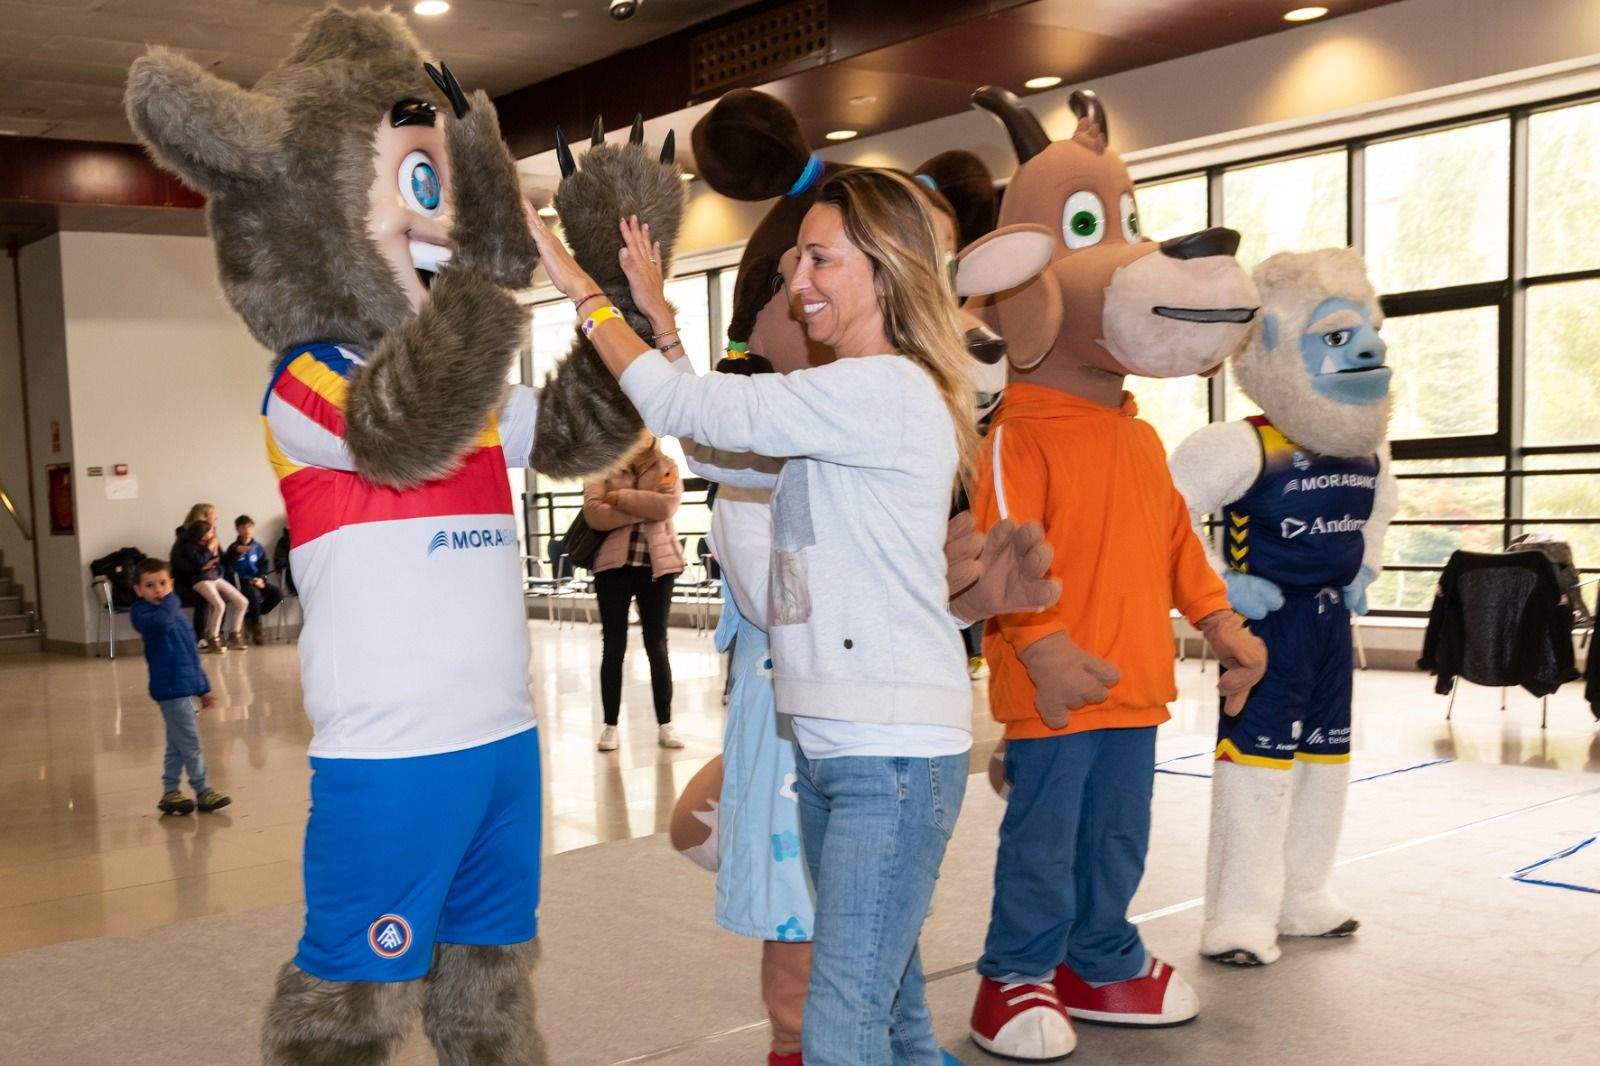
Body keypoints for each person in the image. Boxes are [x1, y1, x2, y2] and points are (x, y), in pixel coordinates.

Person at [530, 166, 980, 1064]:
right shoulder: (846, 400)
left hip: (887, 754)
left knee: (842, 1023)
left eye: (820, 259)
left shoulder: (883, 390)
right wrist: (659, 322)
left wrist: (582, 291)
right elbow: (713, 438)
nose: (798, 280)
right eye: (792, 264)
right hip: (843, 744)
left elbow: (683, 409)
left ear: (886, 271)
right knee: (888, 1014)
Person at [582, 437, 687, 752]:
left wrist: (619, 497)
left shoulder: (667, 465)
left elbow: (667, 506)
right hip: (612, 567)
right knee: (613, 647)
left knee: (657, 646)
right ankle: (610, 725)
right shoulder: (601, 461)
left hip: (657, 567)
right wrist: (645, 506)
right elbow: (594, 513)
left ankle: (665, 724)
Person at [128, 558, 231, 815]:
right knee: (191, 743)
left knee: (177, 743)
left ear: (171, 583)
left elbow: (190, 655)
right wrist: (172, 601)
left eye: (163, 583)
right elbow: (161, 624)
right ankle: (203, 790)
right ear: (138, 591)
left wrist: (203, 687)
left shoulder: (176, 614)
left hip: (186, 687)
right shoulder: (144, 614)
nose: (158, 590)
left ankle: (170, 793)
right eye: (150, 585)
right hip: (170, 690)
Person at [173, 510, 249, 653]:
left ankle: (235, 633)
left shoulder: (212, 542)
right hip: (201, 580)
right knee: (219, 605)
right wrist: (209, 549)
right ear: (202, 533)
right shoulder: (189, 545)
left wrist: (234, 552)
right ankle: (213, 638)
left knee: (242, 601)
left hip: (215, 577)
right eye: (210, 531)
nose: (213, 533)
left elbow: (222, 561)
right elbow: (199, 562)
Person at [225, 514, 283, 644]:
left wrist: (262, 579)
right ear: (237, 529)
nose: (247, 531)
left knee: (278, 594)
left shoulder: (258, 547)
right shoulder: (233, 549)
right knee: (254, 595)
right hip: (242, 584)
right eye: (243, 528)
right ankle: (257, 628)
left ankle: (250, 616)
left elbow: (264, 566)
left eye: (249, 527)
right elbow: (228, 570)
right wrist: (247, 581)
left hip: (258, 581)